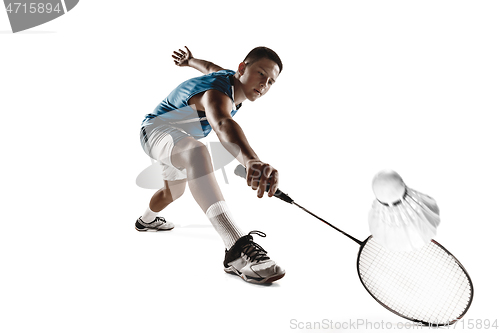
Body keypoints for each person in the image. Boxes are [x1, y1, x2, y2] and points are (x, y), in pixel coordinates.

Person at [137, 46, 285, 284]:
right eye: (260, 74)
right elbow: (223, 123)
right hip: (156, 129)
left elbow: (209, 68)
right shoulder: (217, 93)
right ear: (242, 68)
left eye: (270, 82)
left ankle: (145, 221)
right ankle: (236, 249)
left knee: (171, 193)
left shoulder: (231, 80)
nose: (264, 84)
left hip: (180, 140)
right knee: (198, 152)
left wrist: (191, 60)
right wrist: (252, 161)